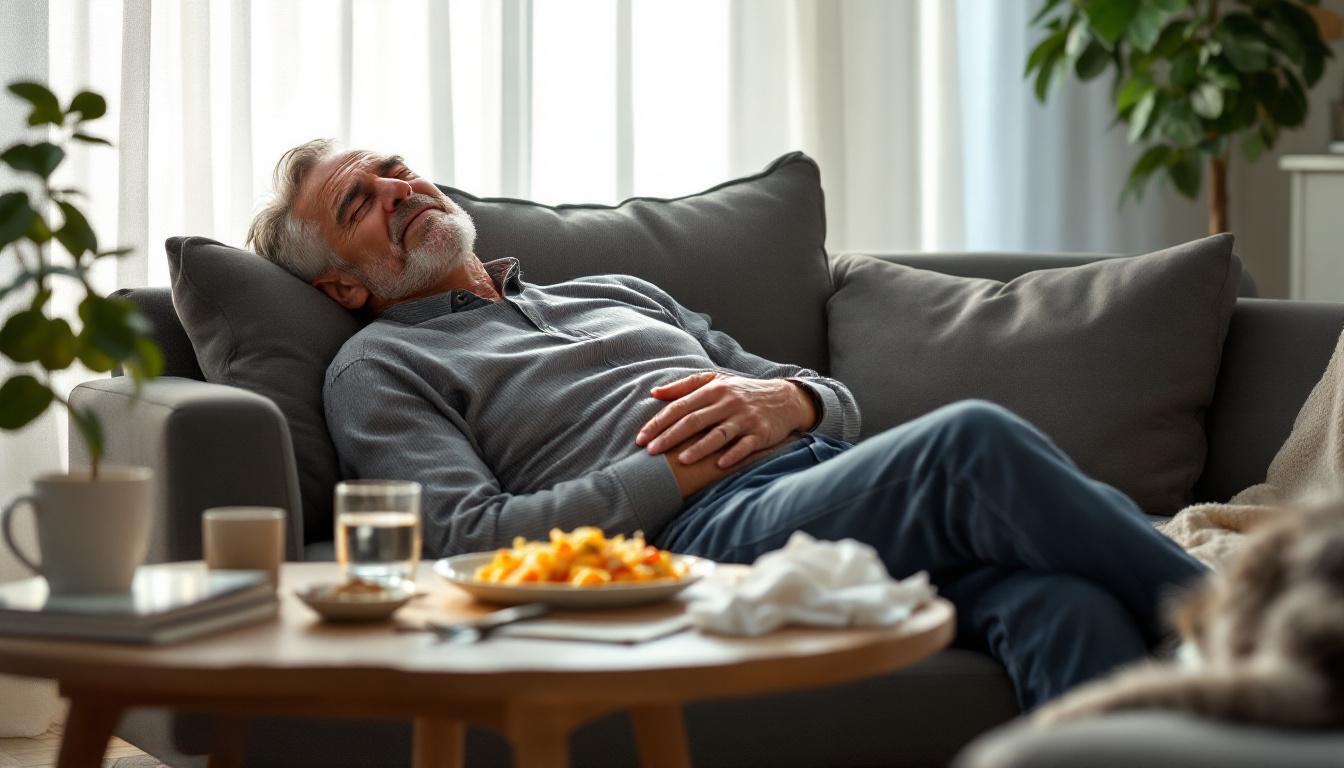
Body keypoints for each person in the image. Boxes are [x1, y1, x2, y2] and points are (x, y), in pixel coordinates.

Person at [247, 139, 1206, 711]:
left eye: (395, 171)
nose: (399, 192)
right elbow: (463, 540)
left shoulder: (613, 289)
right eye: (359, 204)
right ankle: (1259, 628)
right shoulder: (380, 367)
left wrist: (790, 401)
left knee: (1058, 606)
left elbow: (811, 387)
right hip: (699, 535)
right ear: (341, 282)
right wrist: (682, 474)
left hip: (824, 479)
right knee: (971, 442)